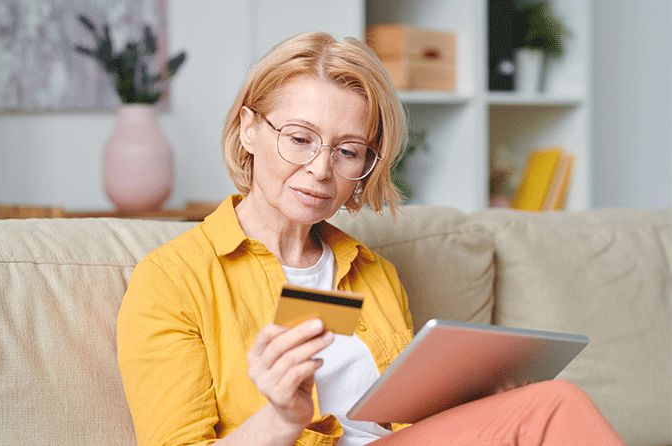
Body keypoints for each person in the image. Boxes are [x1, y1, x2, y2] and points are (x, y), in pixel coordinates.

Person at [116, 32, 624, 446]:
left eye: (348, 151)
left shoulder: (371, 273)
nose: (319, 170)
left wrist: (488, 410)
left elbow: (405, 424)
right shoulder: (173, 279)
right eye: (299, 139)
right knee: (557, 405)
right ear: (249, 130)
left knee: (537, 407)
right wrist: (283, 419)